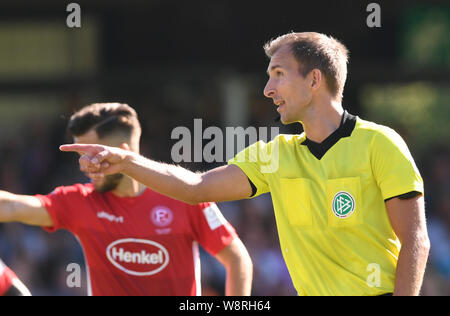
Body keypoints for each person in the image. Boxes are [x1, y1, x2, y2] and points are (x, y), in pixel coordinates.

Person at [60, 32, 430, 296]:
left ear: (314, 79)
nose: (268, 90)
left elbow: (416, 240)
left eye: (278, 75)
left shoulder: (380, 143)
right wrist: (127, 162)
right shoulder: (275, 154)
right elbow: (196, 188)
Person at [0, 103, 253, 296]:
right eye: (80, 155)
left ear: (123, 152)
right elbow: (11, 205)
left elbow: (236, 258)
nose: (85, 166)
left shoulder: (184, 195)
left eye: (92, 155)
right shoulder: (79, 201)